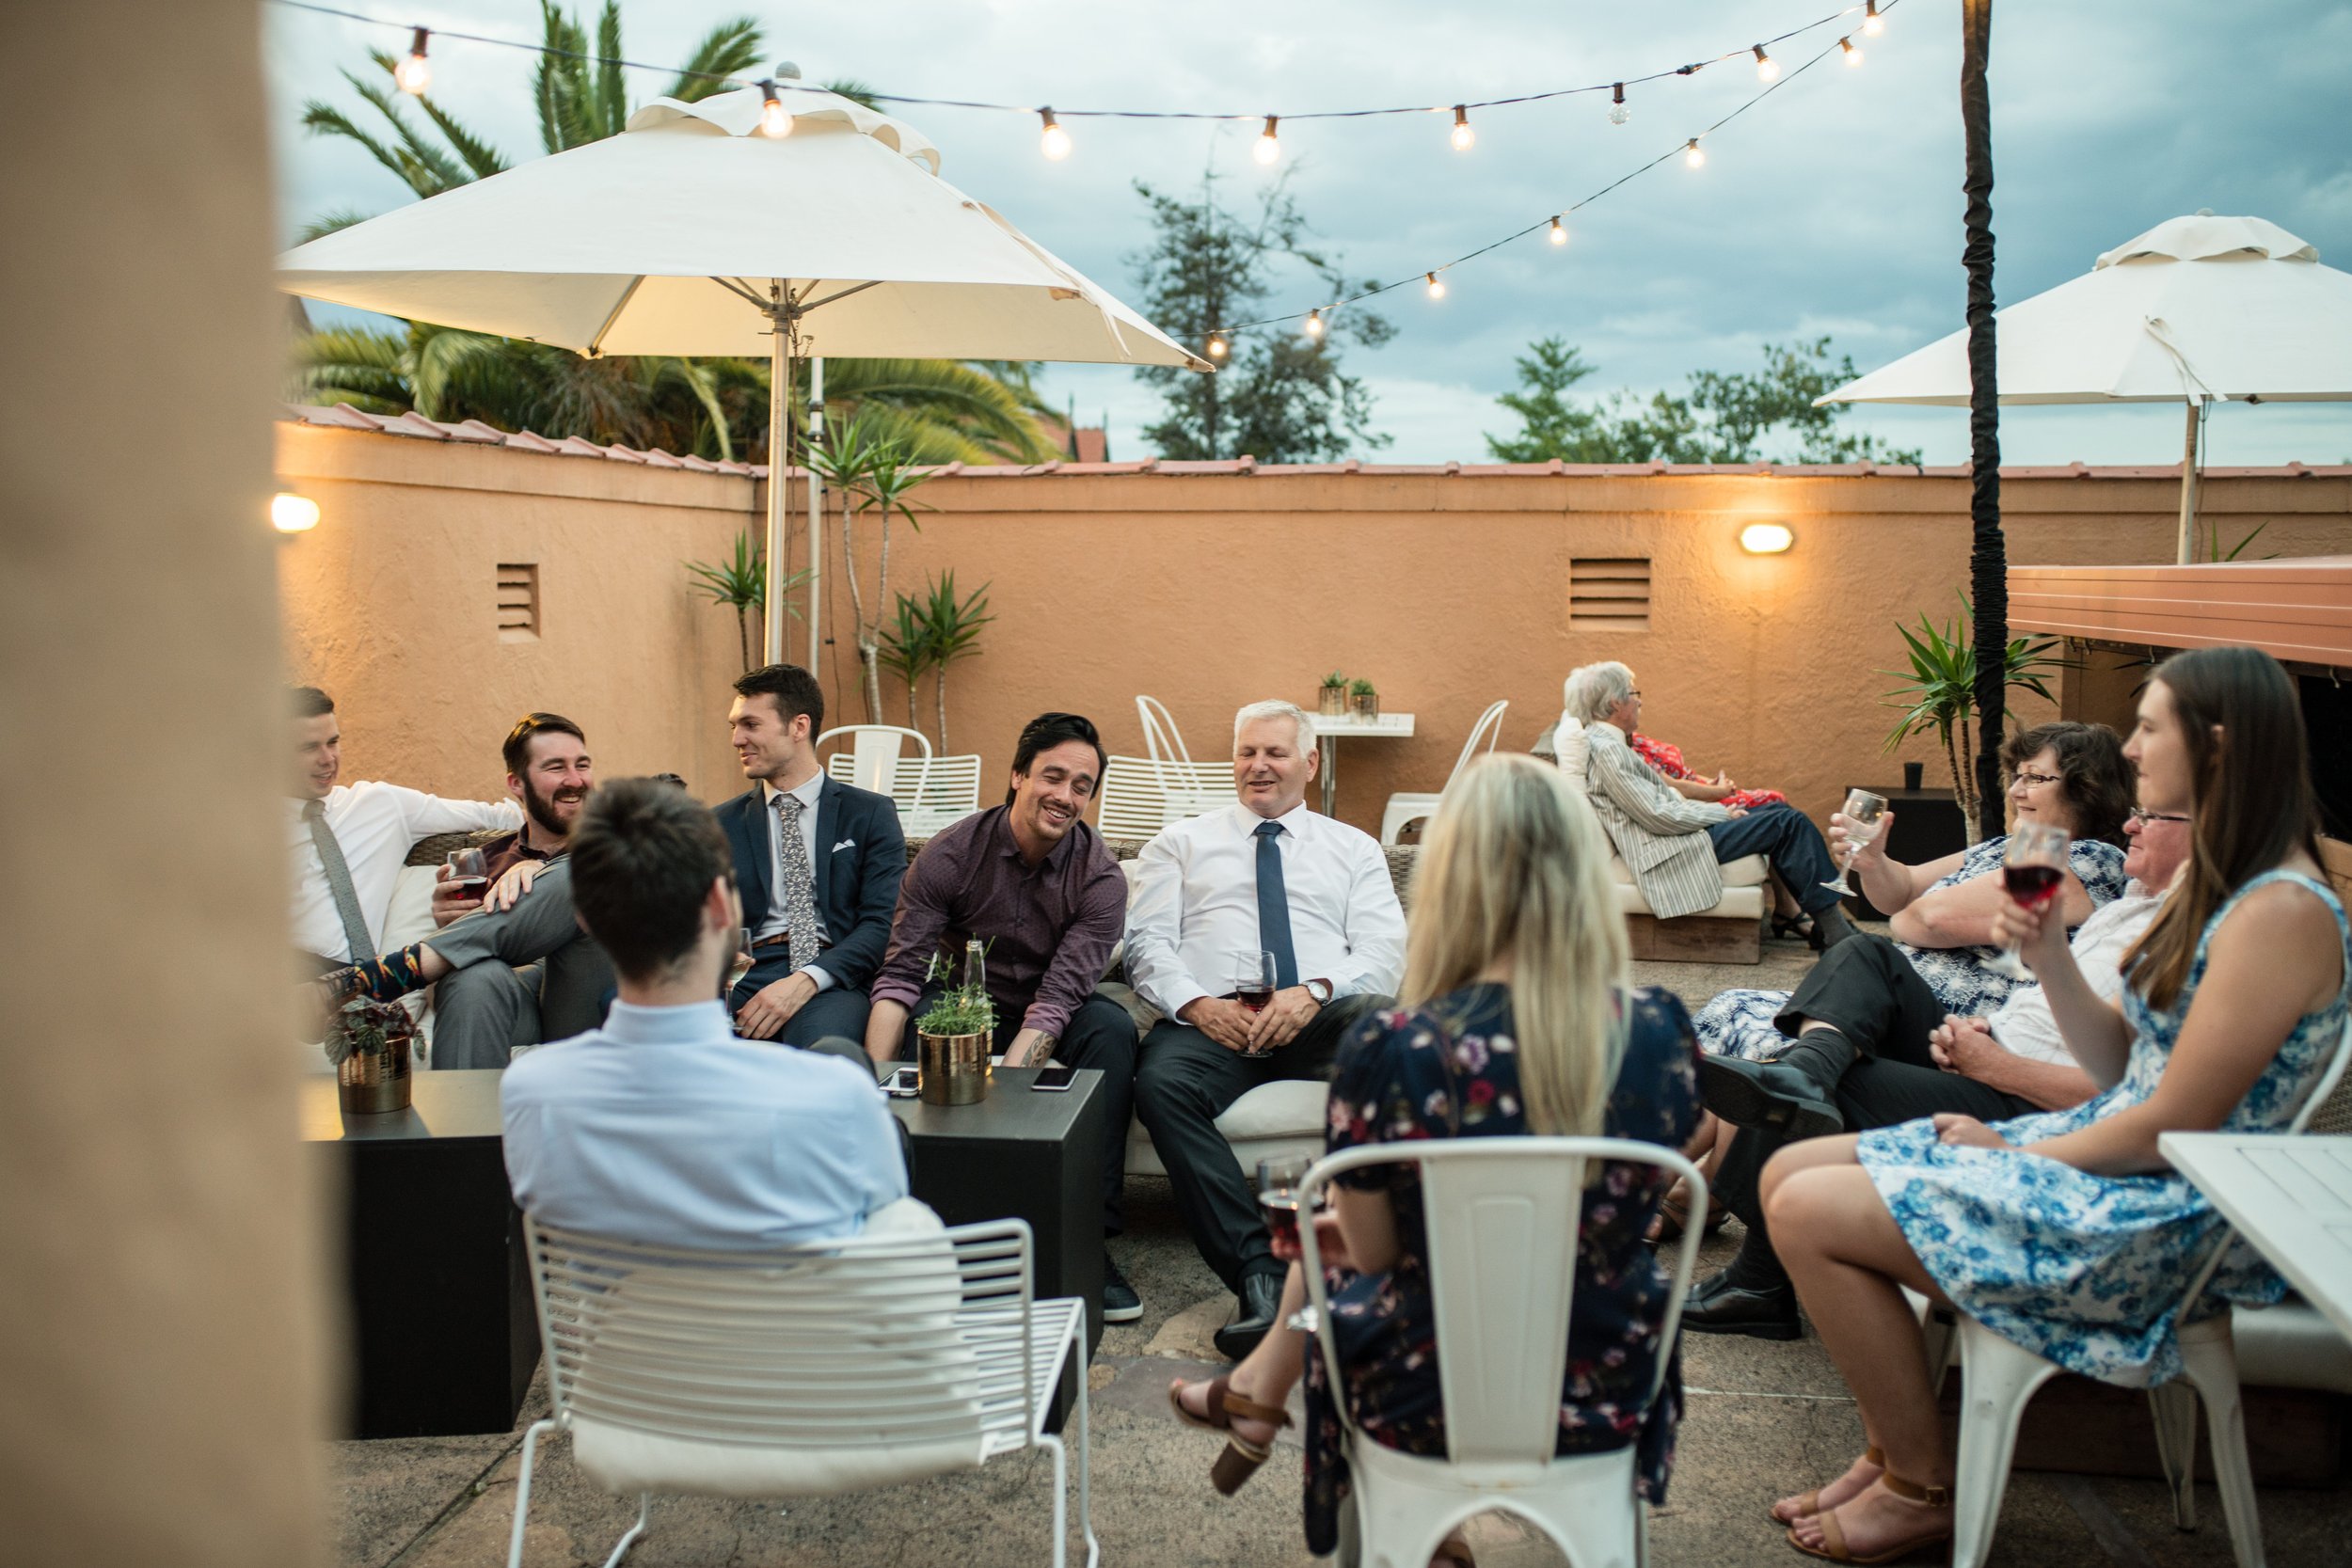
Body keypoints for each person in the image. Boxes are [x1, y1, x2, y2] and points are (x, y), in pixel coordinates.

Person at [1761, 646, 2349, 1565]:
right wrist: (2048, 959)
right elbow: (2127, 1063)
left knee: (1805, 1202)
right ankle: (1890, 1453)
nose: (2132, 745)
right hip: (2110, 1155)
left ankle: (1917, 1483)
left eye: (2150, 724)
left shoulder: (2281, 910)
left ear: (2220, 746)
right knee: (1789, 1165)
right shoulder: (2220, 889)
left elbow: (2170, 1122)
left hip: (2163, 1214)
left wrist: (2012, 1152)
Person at [1164, 754, 1700, 1562]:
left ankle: (1407, 1514)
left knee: (1336, 1239)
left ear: (1451, 883)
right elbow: (1659, 1177)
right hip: (1607, 1371)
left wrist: (1335, 1221)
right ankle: (1263, 1399)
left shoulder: (1398, 1047)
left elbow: (1373, 1252)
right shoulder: (1658, 1029)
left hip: (1427, 1387)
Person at [1683, 805, 2189, 1340]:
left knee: (1834, 1087)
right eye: (2132, 812)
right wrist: (1988, 1031)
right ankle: (1804, 1072)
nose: (2133, 824)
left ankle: (1758, 1282)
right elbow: (1906, 904)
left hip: (2028, 1101)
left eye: (2153, 814)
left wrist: (2001, 1065)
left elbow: (2128, 1091)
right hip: (1988, 1051)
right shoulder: (2132, 909)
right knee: (1867, 953)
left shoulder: (2175, 926)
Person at [501, 777, 907, 1250]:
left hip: (622, 1320)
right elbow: (884, 1229)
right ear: (720, 905)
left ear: (584, 918)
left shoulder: (532, 1093)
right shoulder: (832, 1094)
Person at [1127, 701, 1407, 1360]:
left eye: (1275, 753)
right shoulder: (1181, 842)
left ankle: (1378, 1251)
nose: (1259, 765)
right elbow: (1146, 946)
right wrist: (1196, 1003)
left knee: (1386, 1028)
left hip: (1317, 1015)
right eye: (1247, 752)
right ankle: (1260, 1276)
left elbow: (1383, 951)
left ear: (1309, 763)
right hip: (1213, 1023)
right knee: (1160, 1082)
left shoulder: (1353, 848)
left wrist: (1313, 993)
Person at [864, 712, 1142, 1321]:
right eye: (1053, 776)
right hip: (962, 997)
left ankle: (1089, 1236)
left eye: (1082, 786)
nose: (1066, 796)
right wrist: (872, 1085)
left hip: (1049, 1006)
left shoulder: (1101, 877)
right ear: (1017, 775)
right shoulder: (951, 853)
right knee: (926, 1021)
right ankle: (922, 1217)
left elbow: (1061, 996)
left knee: (1114, 1031)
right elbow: (902, 973)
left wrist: (1007, 1092)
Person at [1693, 721, 2136, 1066]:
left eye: (2036, 778)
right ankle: (1685, 1175)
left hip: (1949, 1024)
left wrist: (1905, 920)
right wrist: (1874, 862)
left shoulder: (2089, 859)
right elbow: (1901, 891)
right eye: (2017, 776)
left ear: (2087, 789)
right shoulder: (2006, 847)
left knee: (1757, 1025)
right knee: (1730, 1006)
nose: (2017, 790)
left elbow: (1923, 918)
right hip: (1891, 997)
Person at [1562, 661, 1858, 951]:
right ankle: (1836, 932)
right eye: (1633, 694)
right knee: (1788, 825)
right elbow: (1655, 815)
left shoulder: (1610, 744)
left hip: (1679, 833)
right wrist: (1720, 813)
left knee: (1779, 812)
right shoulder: (1609, 751)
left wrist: (1717, 813)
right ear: (1615, 703)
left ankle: (1828, 926)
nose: (1639, 702)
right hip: (1670, 844)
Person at [712, 663, 908, 1052]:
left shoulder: (869, 813)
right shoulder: (718, 823)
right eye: (734, 726)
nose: (737, 739)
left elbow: (882, 922)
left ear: (799, 727)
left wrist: (806, 979)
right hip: (743, 971)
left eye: (750, 725)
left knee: (825, 1054)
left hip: (832, 974)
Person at [286, 685, 519, 973]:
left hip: (355, 979)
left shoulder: (382, 803)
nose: (327, 758)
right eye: (309, 747)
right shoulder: (249, 827)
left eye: (332, 742)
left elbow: (499, 818)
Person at [426, 712, 592, 928]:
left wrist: (540, 869)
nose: (575, 780)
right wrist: (446, 925)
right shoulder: (484, 865)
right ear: (517, 784)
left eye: (582, 765)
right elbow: (470, 943)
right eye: (556, 767)